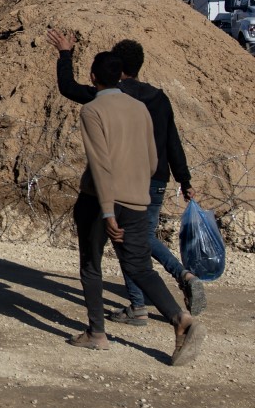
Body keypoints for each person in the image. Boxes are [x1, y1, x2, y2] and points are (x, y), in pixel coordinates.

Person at [46, 29, 206, 320]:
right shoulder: (158, 98)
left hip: (119, 181)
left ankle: (153, 295)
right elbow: (173, 141)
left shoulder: (108, 97)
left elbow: (68, 87)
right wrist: (184, 180)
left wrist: (65, 54)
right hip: (155, 177)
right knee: (138, 243)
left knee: (128, 246)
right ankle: (156, 296)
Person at [69, 51, 204, 365]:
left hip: (101, 201)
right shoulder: (141, 108)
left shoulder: (92, 110)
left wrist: (106, 210)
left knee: (91, 264)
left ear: (92, 77)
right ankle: (180, 321)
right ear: (122, 77)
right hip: (138, 198)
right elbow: (154, 159)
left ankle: (97, 334)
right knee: (140, 267)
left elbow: (101, 165)